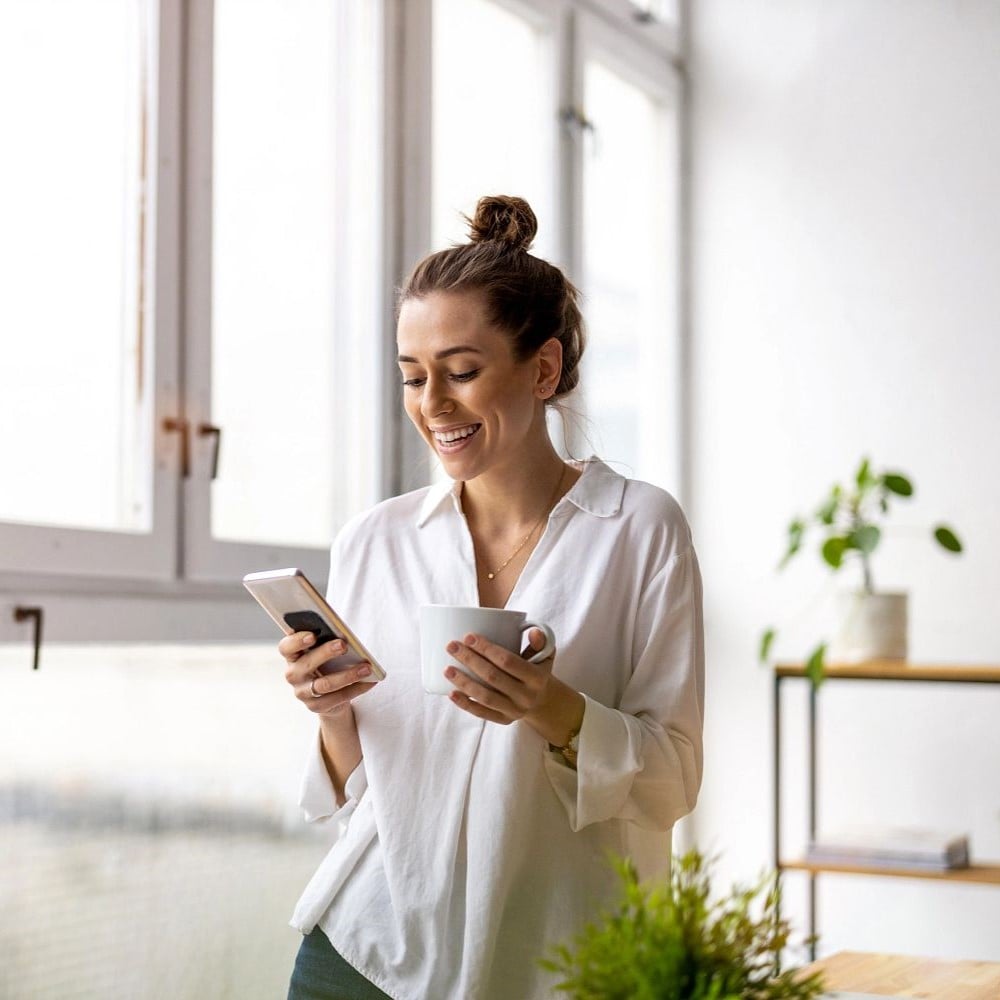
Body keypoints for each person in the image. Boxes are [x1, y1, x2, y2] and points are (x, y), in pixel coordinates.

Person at [279, 195, 704, 1000]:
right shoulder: (374, 540)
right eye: (413, 377)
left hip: (558, 960)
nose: (432, 403)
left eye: (462, 372)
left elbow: (672, 782)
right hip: (366, 951)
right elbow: (359, 786)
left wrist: (552, 709)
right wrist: (330, 710)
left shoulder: (640, 528)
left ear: (543, 369)